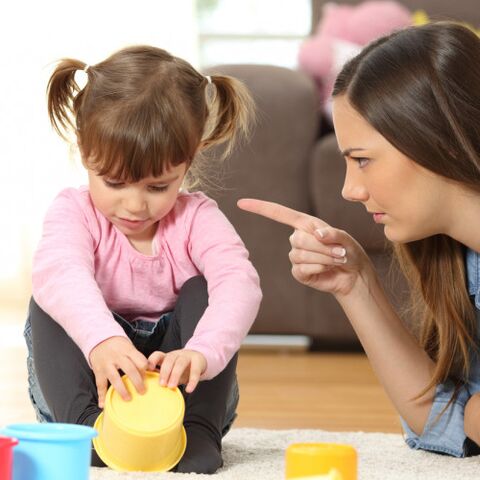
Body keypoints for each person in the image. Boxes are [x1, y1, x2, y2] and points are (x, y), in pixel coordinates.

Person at [238, 22, 480, 458]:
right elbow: (449, 425)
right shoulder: (463, 262)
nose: (350, 189)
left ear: (439, 142)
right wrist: (355, 285)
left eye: (363, 160)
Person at [25, 45, 262, 473]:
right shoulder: (73, 212)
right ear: (83, 151)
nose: (135, 205)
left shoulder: (197, 218)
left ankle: (198, 432)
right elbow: (60, 272)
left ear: (187, 163)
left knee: (204, 289)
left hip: (181, 404)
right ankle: (85, 431)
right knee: (50, 294)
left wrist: (203, 353)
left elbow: (239, 283)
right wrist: (103, 340)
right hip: (91, 391)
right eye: (115, 182)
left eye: (157, 187)